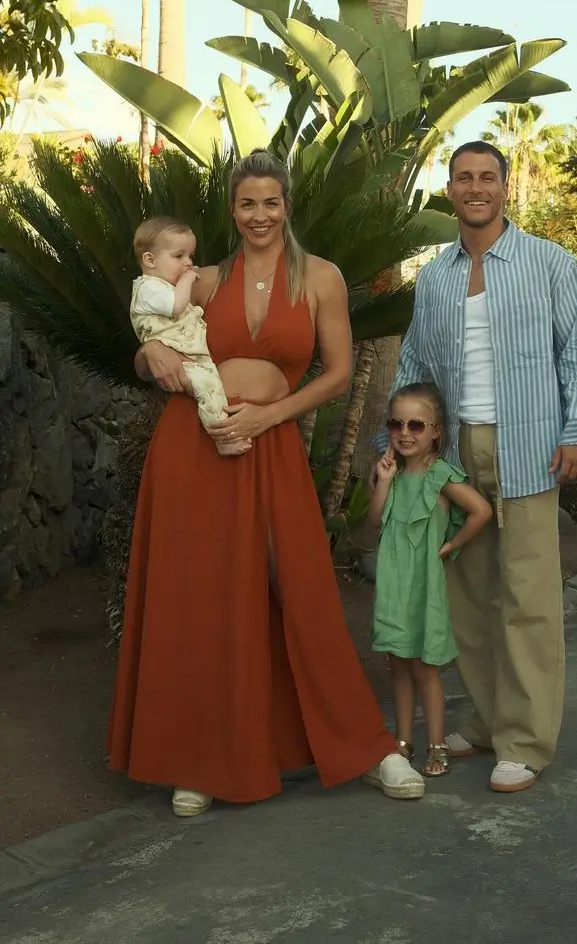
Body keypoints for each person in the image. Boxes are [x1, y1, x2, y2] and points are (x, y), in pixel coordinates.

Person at [108, 148, 425, 817]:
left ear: (287, 206)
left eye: (270, 202)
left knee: (302, 586)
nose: (259, 214)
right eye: (247, 203)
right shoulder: (206, 277)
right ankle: (196, 759)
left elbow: (336, 372)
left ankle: (368, 747)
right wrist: (150, 352)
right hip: (194, 447)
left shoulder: (321, 279)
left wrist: (271, 415)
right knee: (199, 596)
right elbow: (150, 337)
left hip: (269, 443)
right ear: (233, 209)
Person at [371, 141, 577, 793]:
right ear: (450, 189)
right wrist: (391, 443)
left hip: (528, 444)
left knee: (527, 598)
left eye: (486, 177)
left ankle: (525, 741)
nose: (475, 187)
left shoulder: (549, 263)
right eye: (463, 177)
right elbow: (414, 361)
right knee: (466, 596)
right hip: (452, 453)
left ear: (504, 188)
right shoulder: (436, 276)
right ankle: (489, 719)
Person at [369, 382, 493, 777]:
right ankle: (402, 742)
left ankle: (436, 743)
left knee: (425, 667)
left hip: (425, 585)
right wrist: (384, 482)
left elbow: (481, 511)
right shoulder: (391, 473)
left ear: (436, 431)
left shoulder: (441, 476)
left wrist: (451, 544)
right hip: (393, 585)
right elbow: (374, 522)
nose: (405, 433)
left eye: (416, 425)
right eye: (396, 423)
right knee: (398, 664)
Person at [129, 216, 253, 457]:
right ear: (149, 260)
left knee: (210, 384)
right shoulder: (148, 288)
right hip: (179, 354)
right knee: (207, 386)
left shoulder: (162, 286)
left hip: (188, 352)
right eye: (179, 256)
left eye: (190, 256)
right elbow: (176, 306)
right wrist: (187, 280)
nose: (188, 263)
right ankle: (222, 436)